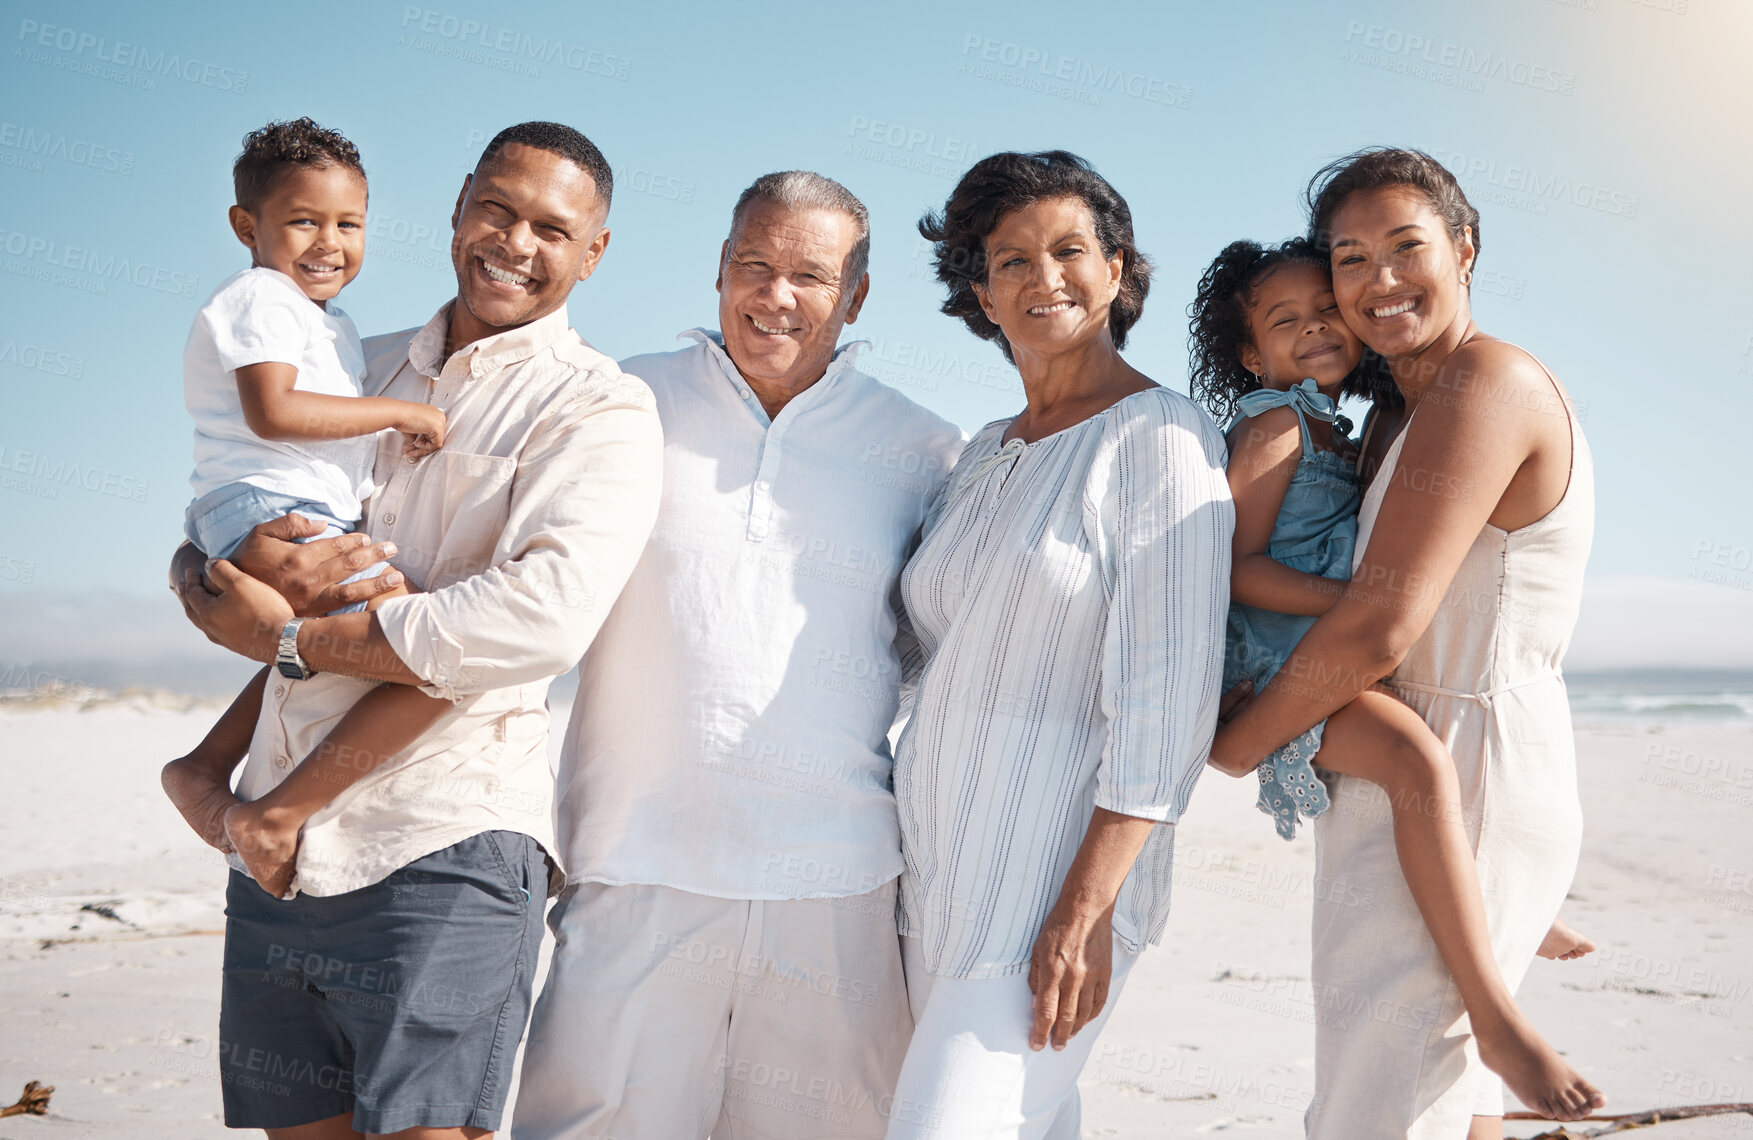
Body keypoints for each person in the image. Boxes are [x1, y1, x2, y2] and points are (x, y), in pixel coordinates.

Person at [168, 121, 663, 1140]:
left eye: (550, 229)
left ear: (594, 252)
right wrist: (199, 576)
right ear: (457, 209)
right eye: (496, 209)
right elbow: (232, 486)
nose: (515, 242)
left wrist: (292, 641)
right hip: (280, 846)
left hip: (443, 843)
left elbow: (536, 622)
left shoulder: (598, 407)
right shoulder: (358, 364)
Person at [509, 171, 964, 1140]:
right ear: (718, 271)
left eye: (808, 274)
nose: (775, 295)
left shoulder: (922, 446)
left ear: (858, 296)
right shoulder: (619, 399)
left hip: (835, 875)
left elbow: (940, 650)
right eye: (752, 266)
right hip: (632, 860)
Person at [1205, 147, 1604, 1136]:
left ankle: (1502, 1023)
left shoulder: (1486, 384)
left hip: (1464, 759)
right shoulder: (1388, 411)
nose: (1377, 281)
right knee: (1431, 1098)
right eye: (1349, 258)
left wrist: (1237, 743)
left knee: (1379, 1104)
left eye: (1405, 247)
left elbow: (1379, 623)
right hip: (1413, 760)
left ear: (1464, 250)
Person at [886, 150, 1231, 1138]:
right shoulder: (985, 449)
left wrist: (1086, 909)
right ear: (979, 293)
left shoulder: (1157, 436)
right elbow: (919, 657)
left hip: (1049, 891)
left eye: (1071, 250)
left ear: (1117, 269)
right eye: (1010, 260)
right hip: (930, 879)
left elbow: (1168, 695)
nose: (1045, 279)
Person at [162, 118, 453, 900]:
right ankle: (276, 813)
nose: (330, 242)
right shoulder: (262, 297)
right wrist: (401, 413)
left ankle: (203, 768)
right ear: (246, 226)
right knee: (433, 653)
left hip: (269, 506)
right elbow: (275, 412)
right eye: (303, 220)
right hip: (270, 506)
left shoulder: (330, 322)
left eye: (349, 223)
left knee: (340, 645)